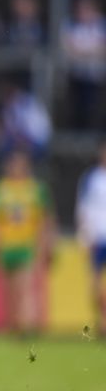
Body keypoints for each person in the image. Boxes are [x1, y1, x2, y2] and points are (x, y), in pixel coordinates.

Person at [0, 150, 56, 337]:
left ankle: (27, 327)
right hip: (5, 246)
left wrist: (47, 242)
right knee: (9, 291)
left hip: (26, 245)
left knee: (24, 288)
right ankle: (13, 327)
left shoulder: (36, 189)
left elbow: (46, 219)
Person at [77, 141, 106, 338]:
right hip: (98, 237)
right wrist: (84, 234)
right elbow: (83, 208)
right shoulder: (91, 178)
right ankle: (101, 322)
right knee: (95, 283)